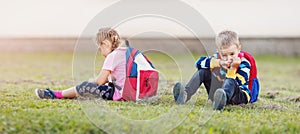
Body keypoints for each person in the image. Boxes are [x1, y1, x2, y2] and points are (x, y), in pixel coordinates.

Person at [173, 30, 256, 110]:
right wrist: (219, 63)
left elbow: (236, 85)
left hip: (239, 96)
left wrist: (233, 68)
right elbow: (198, 63)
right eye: (224, 55)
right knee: (203, 71)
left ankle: (221, 101)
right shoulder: (217, 58)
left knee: (230, 82)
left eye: (232, 54)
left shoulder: (244, 64)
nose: (228, 58)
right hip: (219, 93)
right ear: (219, 52)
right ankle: (184, 95)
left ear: (239, 49)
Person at [35, 28, 126, 101]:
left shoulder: (112, 56)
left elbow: (99, 81)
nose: (100, 51)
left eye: (100, 48)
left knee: (86, 86)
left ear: (105, 44)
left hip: (122, 94)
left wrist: (91, 82)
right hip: (135, 94)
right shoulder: (125, 53)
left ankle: (54, 94)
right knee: (103, 86)